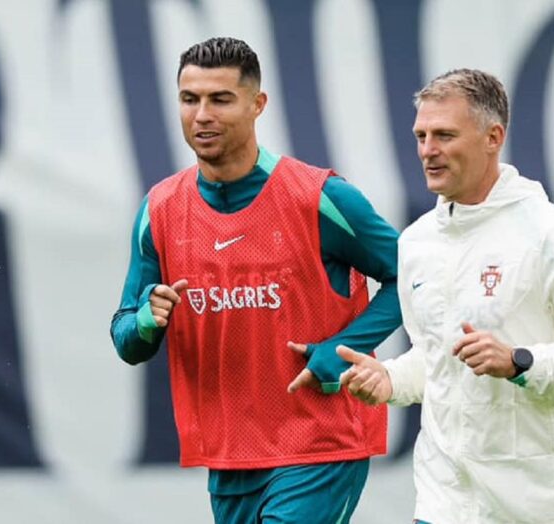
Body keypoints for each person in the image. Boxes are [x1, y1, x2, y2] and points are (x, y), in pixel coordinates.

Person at [110, 37, 401, 524]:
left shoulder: (320, 196)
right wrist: (146, 319)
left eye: (220, 99)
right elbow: (125, 338)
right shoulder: (160, 209)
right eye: (190, 99)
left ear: (257, 104)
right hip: (229, 455)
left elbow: (413, 278)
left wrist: (340, 350)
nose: (202, 114)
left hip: (319, 441)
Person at [338, 69, 554, 524]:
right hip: (444, 506)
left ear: (493, 137)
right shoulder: (416, 242)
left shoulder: (553, 234)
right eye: (421, 135)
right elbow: (437, 360)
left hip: (545, 509)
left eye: (444, 135)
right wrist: (392, 380)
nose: (427, 151)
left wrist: (521, 362)